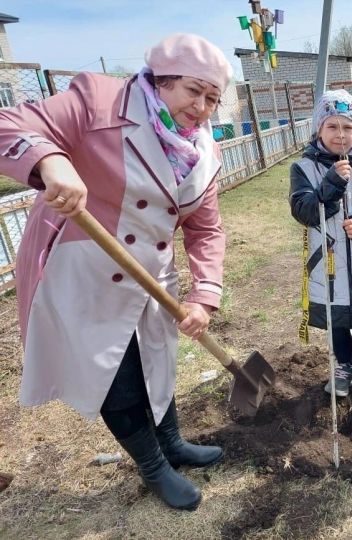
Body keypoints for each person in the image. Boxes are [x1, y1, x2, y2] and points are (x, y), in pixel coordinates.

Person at [0, 33, 233, 510]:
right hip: (83, 270)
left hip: (153, 274)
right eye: (193, 90)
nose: (203, 107)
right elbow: (9, 123)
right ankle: (153, 467)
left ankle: (173, 444)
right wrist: (51, 160)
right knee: (117, 375)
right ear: (161, 80)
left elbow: (206, 230)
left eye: (213, 98)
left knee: (157, 364)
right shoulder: (99, 102)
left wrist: (204, 296)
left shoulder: (203, 150)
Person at [289, 89, 352, 409]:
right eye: (332, 126)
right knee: (337, 320)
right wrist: (331, 185)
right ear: (318, 129)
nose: (341, 134)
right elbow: (303, 211)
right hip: (328, 263)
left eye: (347, 127)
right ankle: (344, 367)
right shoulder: (303, 168)